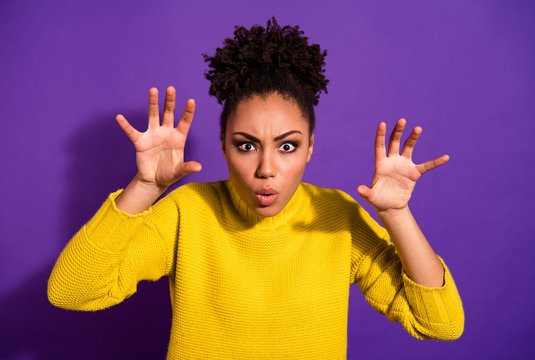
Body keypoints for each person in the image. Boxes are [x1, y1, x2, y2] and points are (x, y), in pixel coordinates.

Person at [47, 17, 464, 359]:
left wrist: (395, 215)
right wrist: (143, 186)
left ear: (310, 148)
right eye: (247, 145)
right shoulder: (188, 211)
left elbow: (441, 324)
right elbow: (72, 291)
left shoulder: (336, 217)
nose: (267, 169)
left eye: (287, 146)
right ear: (224, 146)